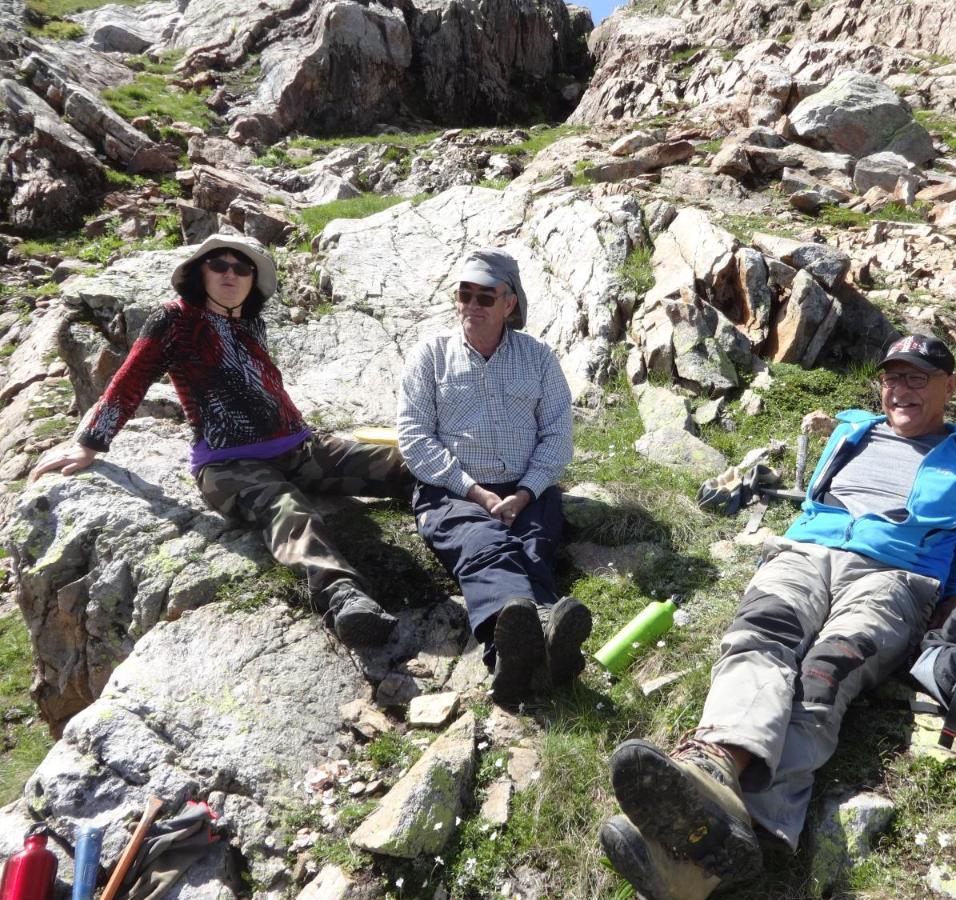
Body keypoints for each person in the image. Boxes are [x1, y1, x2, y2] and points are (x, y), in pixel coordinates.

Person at [600, 334, 956, 899]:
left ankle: (726, 827)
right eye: (893, 376)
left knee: (826, 670)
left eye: (919, 378)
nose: (902, 389)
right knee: (759, 635)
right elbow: (816, 502)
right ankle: (719, 785)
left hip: (896, 576)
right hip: (805, 553)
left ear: (950, 386)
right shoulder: (853, 430)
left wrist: (949, 608)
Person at [30, 233, 410, 648]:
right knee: (287, 510)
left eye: (241, 267)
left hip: (304, 447)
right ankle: (345, 599)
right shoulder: (173, 320)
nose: (230, 273)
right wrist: (90, 441)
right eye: (219, 265)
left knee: (403, 465)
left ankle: (475, 506)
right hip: (229, 465)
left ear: (252, 281)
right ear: (200, 273)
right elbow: (131, 380)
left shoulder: (251, 323)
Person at [394, 247, 589, 706]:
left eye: (486, 297)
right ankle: (541, 642)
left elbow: (559, 433)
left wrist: (526, 492)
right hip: (451, 491)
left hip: (528, 490)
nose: (472, 306)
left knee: (533, 553)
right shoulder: (430, 356)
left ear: (510, 304)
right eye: (465, 294)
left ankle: (513, 661)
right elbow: (414, 437)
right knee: (485, 546)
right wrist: (475, 493)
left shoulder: (539, 357)